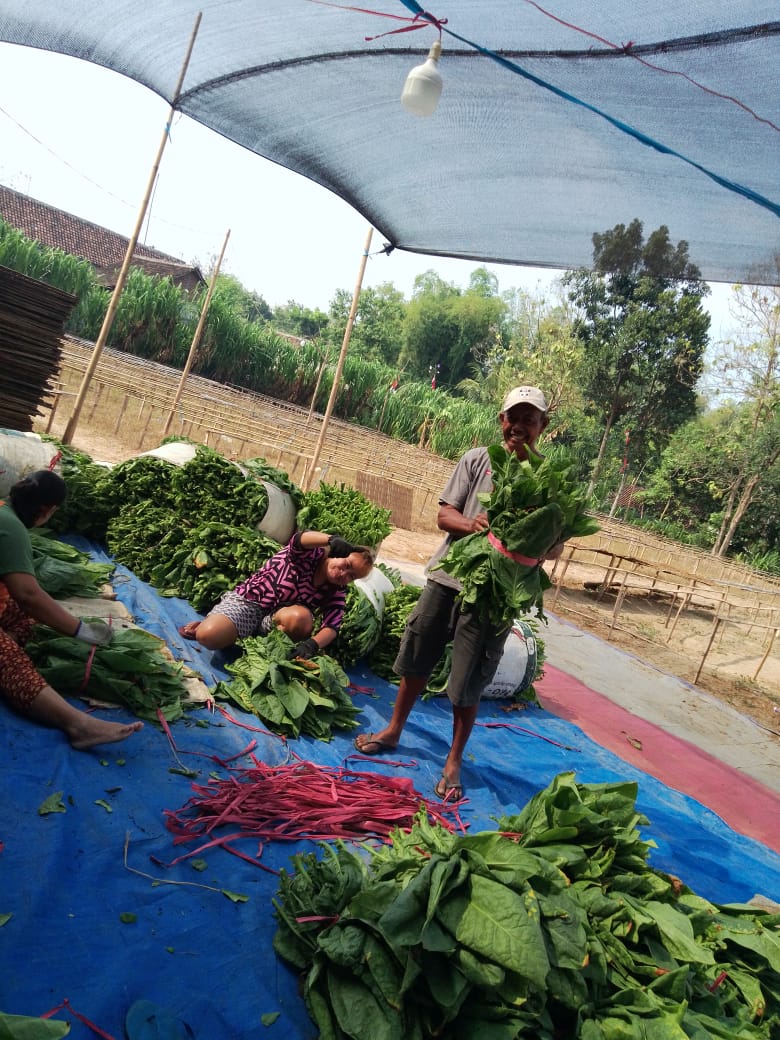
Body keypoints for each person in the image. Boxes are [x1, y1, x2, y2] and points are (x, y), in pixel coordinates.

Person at [353, 385, 563, 801]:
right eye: (513, 417)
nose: (519, 426)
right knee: (417, 657)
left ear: (543, 426)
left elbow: (555, 546)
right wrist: (473, 525)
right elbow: (444, 514)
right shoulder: (476, 460)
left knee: (468, 680)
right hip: (448, 578)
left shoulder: (547, 482)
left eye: (530, 418)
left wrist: (528, 541)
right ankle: (394, 730)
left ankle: (453, 761)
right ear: (501, 419)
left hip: (495, 595)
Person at [0, 470, 144, 749]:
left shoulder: (3, 511)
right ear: (46, 510)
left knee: (22, 618)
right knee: (8, 656)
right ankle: (78, 725)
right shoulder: (11, 528)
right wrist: (81, 630)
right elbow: (29, 595)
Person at [178, 530, 374, 657]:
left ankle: (257, 647)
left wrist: (312, 645)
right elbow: (299, 539)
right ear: (337, 554)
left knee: (301, 618)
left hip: (273, 622)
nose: (344, 575)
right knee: (208, 636)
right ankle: (222, 625)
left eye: (352, 576)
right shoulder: (310, 555)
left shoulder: (336, 590)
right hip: (248, 604)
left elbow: (332, 626)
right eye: (346, 565)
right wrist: (330, 539)